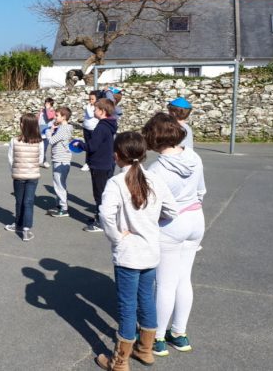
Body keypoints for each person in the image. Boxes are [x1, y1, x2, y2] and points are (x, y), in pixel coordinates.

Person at [95, 132, 177, 371]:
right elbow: (172, 211)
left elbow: (105, 215)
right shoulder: (155, 180)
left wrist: (118, 237)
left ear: (117, 156)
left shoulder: (116, 183)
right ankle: (145, 350)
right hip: (151, 251)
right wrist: (150, 224)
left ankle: (120, 361)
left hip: (129, 254)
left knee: (127, 305)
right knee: (146, 300)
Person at [142, 113, 206, 356]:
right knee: (183, 278)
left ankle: (157, 337)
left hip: (171, 224)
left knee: (165, 283)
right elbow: (201, 190)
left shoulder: (156, 169)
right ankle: (179, 333)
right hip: (196, 219)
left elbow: (153, 207)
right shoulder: (194, 157)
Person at [4, 113, 44, 242]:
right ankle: (26, 228)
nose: (20, 124)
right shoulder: (40, 142)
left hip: (19, 175)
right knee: (29, 201)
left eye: (21, 123)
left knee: (19, 200)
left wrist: (14, 170)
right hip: (33, 175)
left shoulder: (14, 140)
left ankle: (18, 224)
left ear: (25, 125)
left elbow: (11, 159)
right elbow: (41, 160)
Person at [83, 98, 118, 232]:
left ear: (102, 111)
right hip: (107, 162)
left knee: (100, 194)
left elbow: (92, 146)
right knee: (104, 192)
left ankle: (101, 222)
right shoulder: (110, 125)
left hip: (99, 164)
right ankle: (100, 216)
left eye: (96, 109)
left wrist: (80, 145)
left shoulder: (101, 127)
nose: (94, 110)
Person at [46, 107, 74, 218]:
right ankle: (59, 205)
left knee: (59, 184)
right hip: (60, 159)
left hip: (61, 160)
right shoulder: (65, 128)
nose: (54, 117)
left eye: (57, 115)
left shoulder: (63, 128)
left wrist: (50, 131)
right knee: (59, 183)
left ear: (64, 117)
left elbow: (51, 140)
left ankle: (64, 208)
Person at [81, 91, 99, 172]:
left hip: (93, 130)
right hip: (86, 128)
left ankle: (93, 163)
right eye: (89, 99)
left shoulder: (96, 107)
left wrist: (88, 106)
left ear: (97, 99)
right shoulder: (89, 106)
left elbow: (91, 115)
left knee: (93, 147)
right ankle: (87, 163)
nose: (90, 100)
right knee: (88, 146)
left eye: (92, 99)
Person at [38, 98, 56, 168]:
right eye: (46, 103)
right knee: (38, 148)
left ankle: (44, 161)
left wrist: (47, 109)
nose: (46, 104)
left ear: (51, 104)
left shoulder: (52, 111)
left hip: (46, 133)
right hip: (39, 132)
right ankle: (39, 161)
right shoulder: (42, 111)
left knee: (44, 148)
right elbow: (38, 120)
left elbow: (49, 117)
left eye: (48, 103)